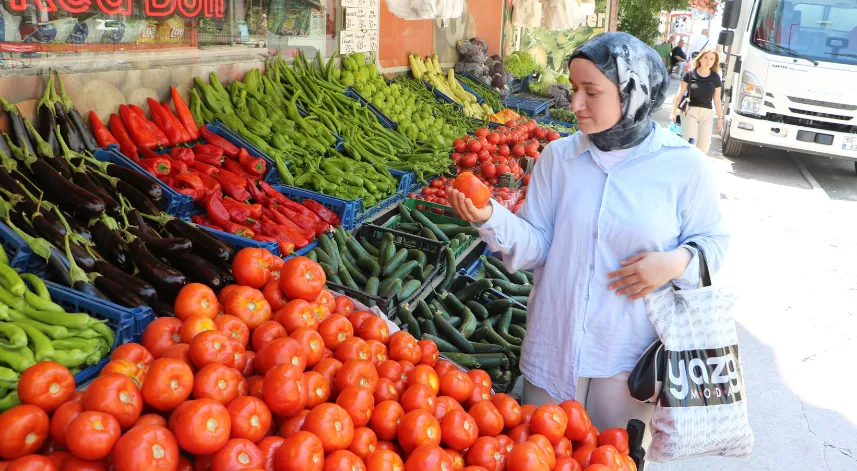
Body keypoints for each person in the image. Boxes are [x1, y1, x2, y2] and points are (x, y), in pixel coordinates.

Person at [448, 32, 729, 446]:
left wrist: (674, 264)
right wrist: (490, 217)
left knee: (612, 457)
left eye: (591, 92)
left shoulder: (683, 166)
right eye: (574, 88)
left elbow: (713, 242)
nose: (576, 103)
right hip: (556, 343)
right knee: (542, 454)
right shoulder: (558, 158)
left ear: (633, 92)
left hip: (629, 356)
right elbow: (537, 245)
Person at [669, 48, 723, 154]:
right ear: (700, 59)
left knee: (703, 147)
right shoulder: (689, 74)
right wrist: (673, 112)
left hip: (707, 114)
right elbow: (680, 94)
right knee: (689, 142)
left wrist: (720, 118)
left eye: (712, 59)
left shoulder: (715, 78)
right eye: (706, 58)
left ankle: (697, 164)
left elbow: (717, 99)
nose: (708, 61)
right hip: (690, 112)